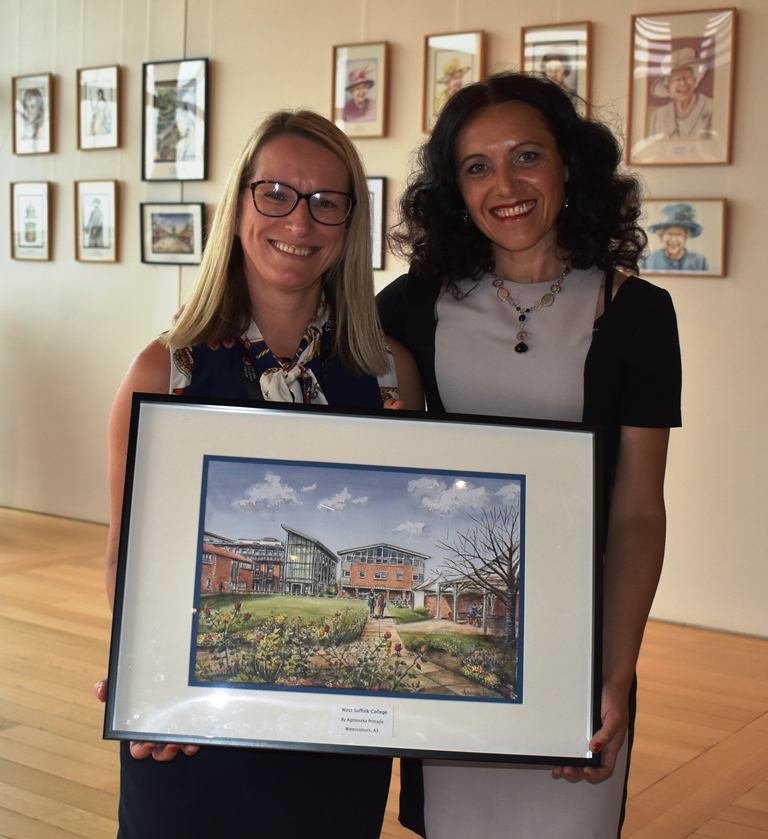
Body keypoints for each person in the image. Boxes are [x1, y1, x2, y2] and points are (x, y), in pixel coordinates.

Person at [98, 108, 422, 839]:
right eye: (274, 192)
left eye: (325, 202)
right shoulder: (163, 370)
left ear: (348, 224)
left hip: (337, 739)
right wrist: (142, 679)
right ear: (239, 203)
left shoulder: (391, 375)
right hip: (191, 729)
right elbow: (128, 553)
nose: (298, 221)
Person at [378, 71, 682, 838]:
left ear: (569, 166)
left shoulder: (639, 315)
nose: (504, 185)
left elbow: (639, 511)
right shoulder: (408, 308)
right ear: (455, 188)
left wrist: (612, 675)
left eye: (526, 157)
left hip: (576, 650)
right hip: (457, 668)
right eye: (477, 166)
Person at [649, 47, 713, 140]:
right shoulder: (658, 117)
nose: (683, 83)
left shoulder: (711, 108)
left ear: (695, 80)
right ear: (668, 87)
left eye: (687, 77)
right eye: (677, 79)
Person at [643, 203, 710, 272]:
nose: (674, 239)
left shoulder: (700, 262)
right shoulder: (649, 262)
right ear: (661, 236)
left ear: (685, 237)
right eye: (669, 233)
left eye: (679, 234)